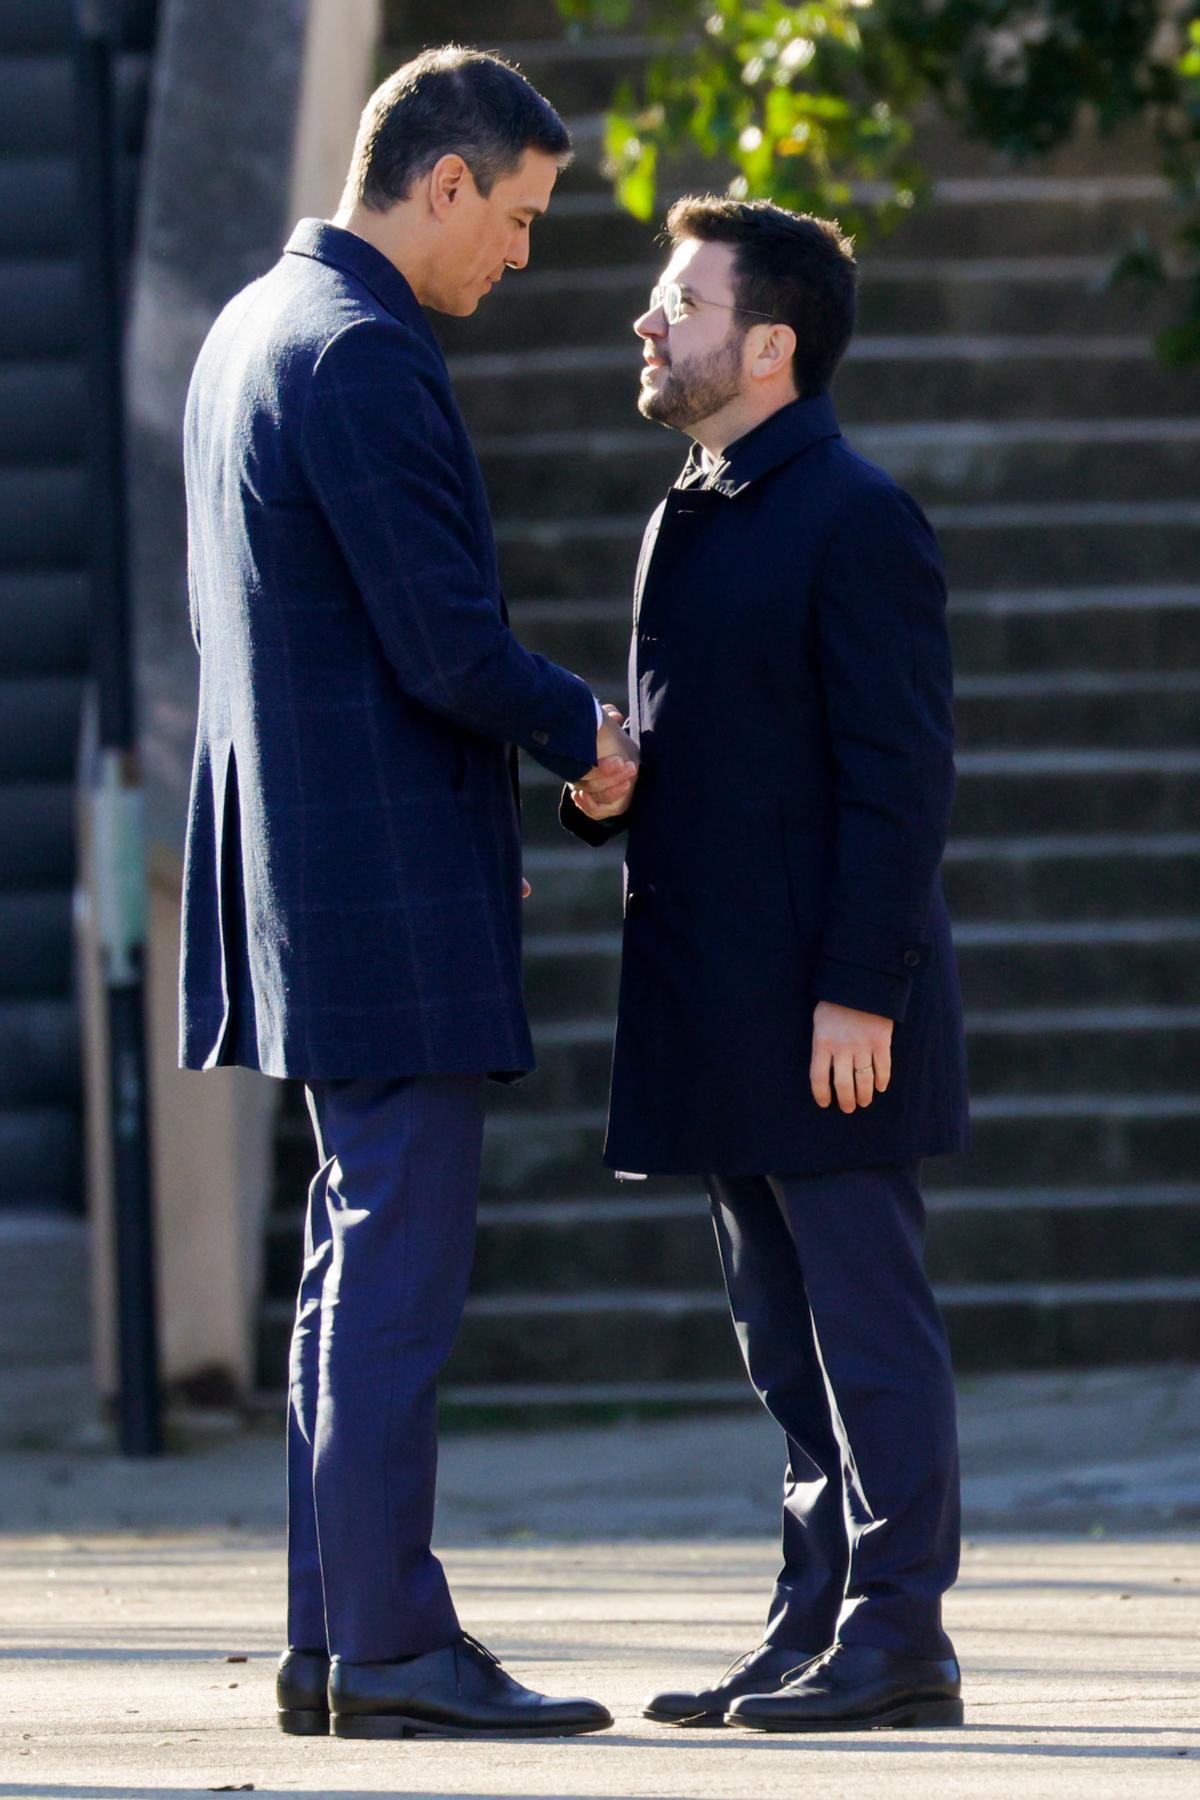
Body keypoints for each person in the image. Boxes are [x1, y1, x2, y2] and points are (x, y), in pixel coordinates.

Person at [179, 46, 636, 1741]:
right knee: (394, 1267)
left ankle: (335, 1634)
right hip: (374, 877)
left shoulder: (250, 330)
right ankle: (387, 1645)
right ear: (444, 181)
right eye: (514, 219)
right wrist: (585, 730)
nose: (516, 258)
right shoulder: (363, 352)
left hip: (310, 865)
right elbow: (440, 637)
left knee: (344, 1259)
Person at [563, 196, 970, 1733]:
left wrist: (862, 986)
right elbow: (708, 749)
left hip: (830, 1011)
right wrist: (609, 783)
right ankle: (810, 1620)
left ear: (771, 342)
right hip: (716, 1004)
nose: (648, 321)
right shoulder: (694, 506)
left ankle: (900, 1631)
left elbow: (900, 772)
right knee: (779, 1337)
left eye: (681, 299)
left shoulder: (856, 513)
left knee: (867, 1322)